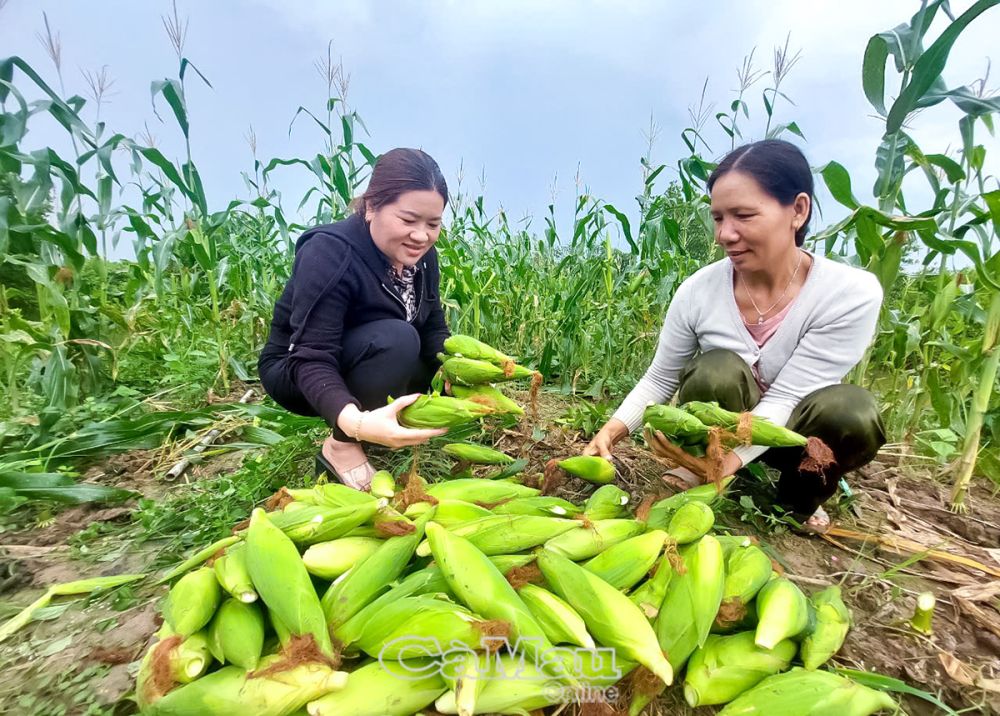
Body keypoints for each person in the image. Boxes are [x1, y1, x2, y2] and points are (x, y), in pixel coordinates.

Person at [585, 139, 886, 532]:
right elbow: (661, 377)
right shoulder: (698, 291)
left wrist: (729, 462)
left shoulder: (849, 294)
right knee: (716, 369)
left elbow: (786, 397)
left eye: (743, 215)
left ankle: (798, 499)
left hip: (792, 436)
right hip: (721, 431)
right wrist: (613, 428)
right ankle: (701, 466)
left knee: (853, 413)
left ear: (798, 210)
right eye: (718, 218)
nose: (725, 234)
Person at [259, 147, 452, 490]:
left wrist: (455, 370)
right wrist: (357, 426)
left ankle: (384, 421)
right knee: (399, 338)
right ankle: (340, 446)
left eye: (432, 224)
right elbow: (311, 356)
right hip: (299, 369)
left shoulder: (423, 257)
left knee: (431, 355)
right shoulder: (330, 253)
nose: (421, 236)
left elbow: (433, 324)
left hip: (369, 355)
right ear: (372, 207)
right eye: (408, 220)